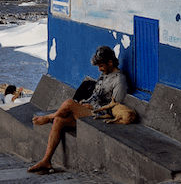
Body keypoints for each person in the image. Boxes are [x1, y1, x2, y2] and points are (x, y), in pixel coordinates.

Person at [27, 46, 128, 175]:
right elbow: (96, 95)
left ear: (110, 62)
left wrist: (92, 107)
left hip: (102, 117)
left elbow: (115, 107)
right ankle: (46, 160)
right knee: (59, 120)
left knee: (69, 103)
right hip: (89, 112)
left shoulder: (120, 80)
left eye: (101, 65)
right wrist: (85, 103)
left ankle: (48, 117)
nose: (99, 69)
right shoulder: (104, 75)